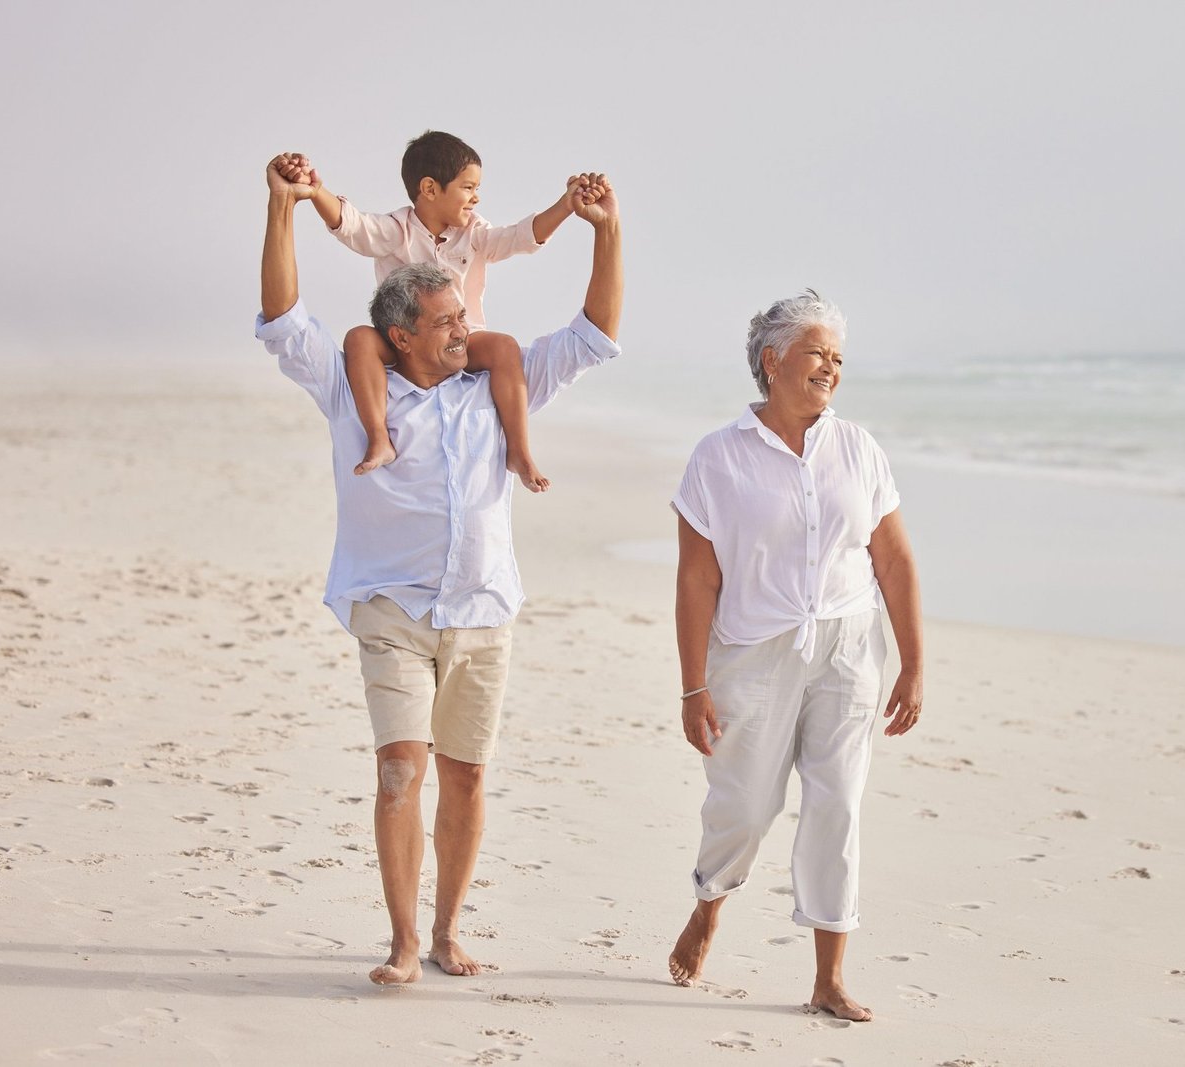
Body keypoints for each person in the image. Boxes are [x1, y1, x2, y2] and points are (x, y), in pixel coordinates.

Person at [255, 155, 622, 985]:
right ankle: (402, 941)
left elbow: (593, 336)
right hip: (392, 609)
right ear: (401, 335)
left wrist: (608, 235)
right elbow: (283, 319)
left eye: (464, 314)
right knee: (399, 770)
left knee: (467, 775)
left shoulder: (496, 385)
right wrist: (282, 209)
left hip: (484, 613)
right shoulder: (355, 390)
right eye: (448, 320)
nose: (466, 328)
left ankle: (449, 928)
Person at [666, 291, 924, 1021]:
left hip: (847, 648)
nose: (831, 369)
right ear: (772, 361)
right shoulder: (718, 456)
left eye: (839, 358)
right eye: (818, 353)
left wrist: (912, 662)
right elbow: (696, 578)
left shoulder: (859, 449)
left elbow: (894, 558)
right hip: (752, 653)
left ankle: (828, 976)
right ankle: (712, 898)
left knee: (837, 804)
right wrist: (692, 687)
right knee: (745, 808)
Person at [274, 131, 576, 489]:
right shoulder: (395, 230)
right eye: (467, 187)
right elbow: (352, 226)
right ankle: (379, 438)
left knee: (504, 347)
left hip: (462, 341)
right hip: (402, 342)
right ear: (430, 189)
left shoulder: (475, 233)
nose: (476, 197)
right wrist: (313, 191)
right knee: (359, 339)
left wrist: (566, 205)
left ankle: (519, 451)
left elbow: (519, 238)